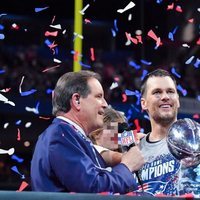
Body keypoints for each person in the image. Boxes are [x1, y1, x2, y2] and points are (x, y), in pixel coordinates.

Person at [31, 70, 145, 193]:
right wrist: (127, 167)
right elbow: (92, 186)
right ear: (77, 100)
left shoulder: (71, 135)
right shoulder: (60, 134)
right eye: (99, 96)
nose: (105, 104)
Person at [135, 69, 199, 197]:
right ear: (144, 103)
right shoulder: (133, 150)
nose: (165, 97)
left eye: (170, 91)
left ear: (178, 100)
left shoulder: (196, 139)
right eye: (157, 92)